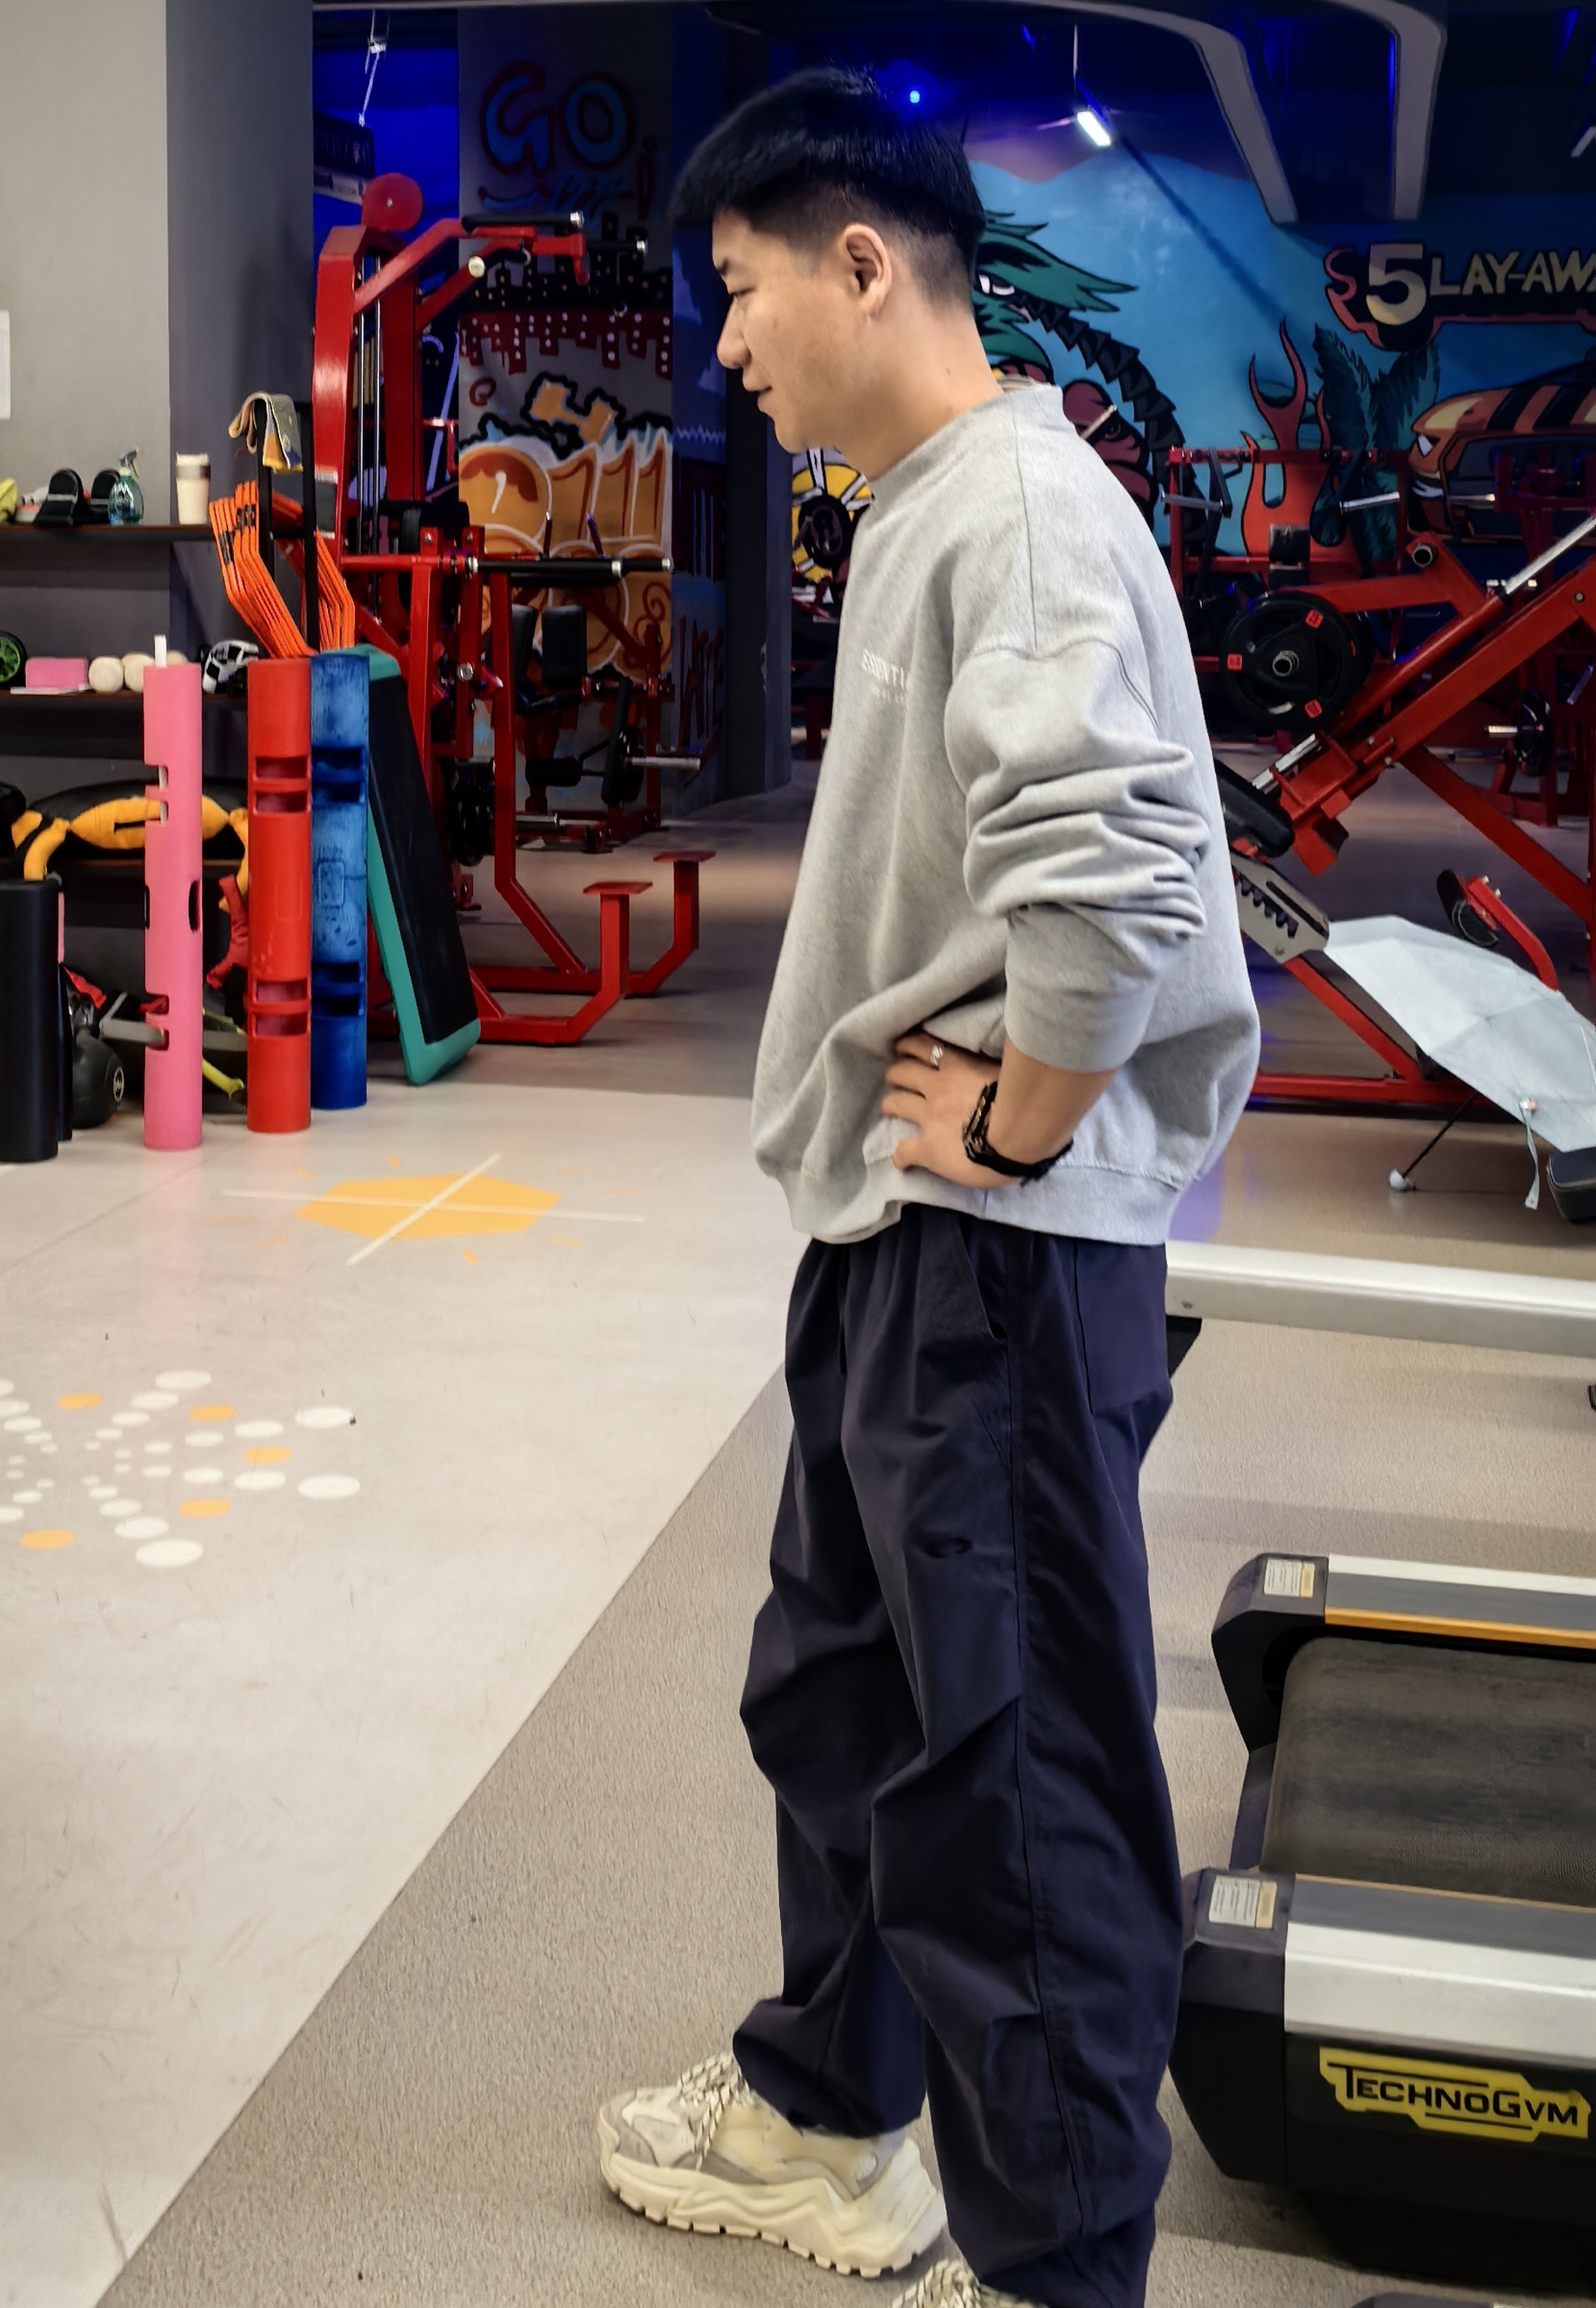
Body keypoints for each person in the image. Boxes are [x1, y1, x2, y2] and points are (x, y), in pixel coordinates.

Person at [596, 67, 1259, 2308]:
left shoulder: (1023, 517)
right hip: (898, 1233)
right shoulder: (914, 507)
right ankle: (829, 2114)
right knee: (846, 1701)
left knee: (1016, 1785)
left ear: (864, 263)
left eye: (741, 290)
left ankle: (1059, 2268)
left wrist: (1029, 1119)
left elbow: (1120, 871)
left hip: (996, 1253)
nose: (729, 348)